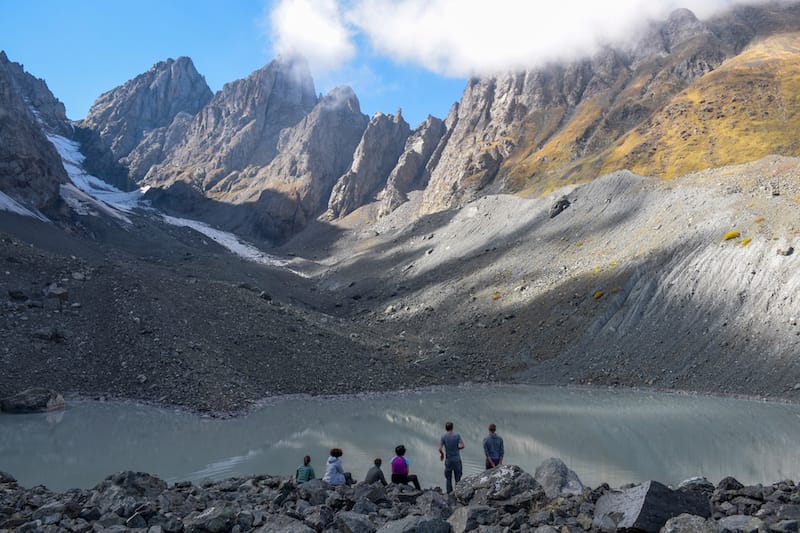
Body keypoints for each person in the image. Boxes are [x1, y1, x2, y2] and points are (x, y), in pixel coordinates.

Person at [438, 421, 465, 493]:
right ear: (452, 427)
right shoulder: (457, 435)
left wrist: (442, 454)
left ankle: (449, 494)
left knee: (448, 478)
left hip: (448, 460)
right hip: (456, 459)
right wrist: (457, 448)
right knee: (458, 478)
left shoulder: (443, 436)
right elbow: (462, 445)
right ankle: (458, 492)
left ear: (446, 428)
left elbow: (440, 449)